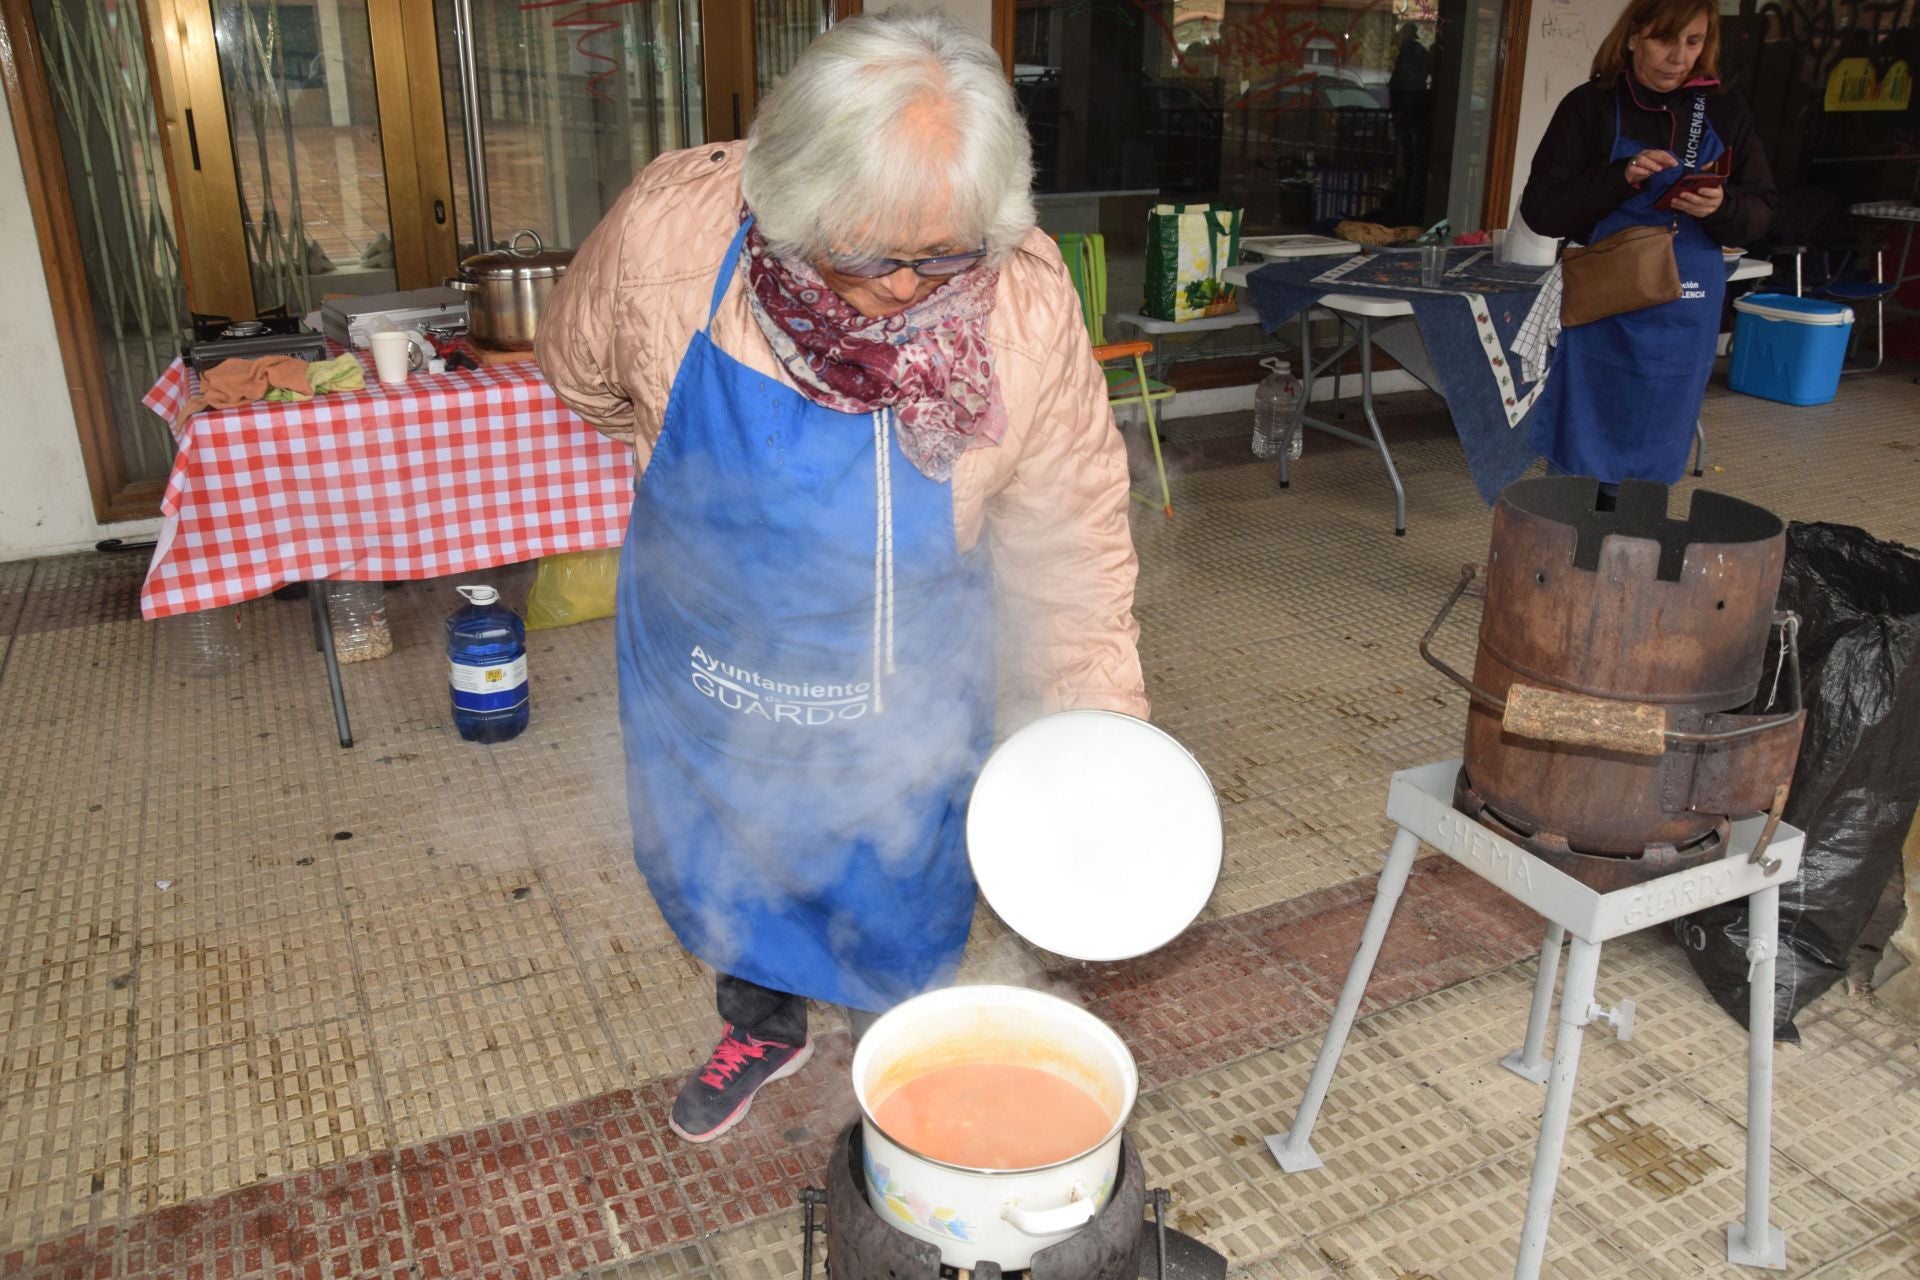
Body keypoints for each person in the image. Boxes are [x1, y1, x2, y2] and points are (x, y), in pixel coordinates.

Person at [535, 12, 1148, 1144]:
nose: (911, 289)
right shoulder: (674, 231)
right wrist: (687, 499)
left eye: (946, 254)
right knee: (727, 849)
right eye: (871, 256)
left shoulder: (1024, 302)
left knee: (900, 867)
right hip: (709, 637)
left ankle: (897, 1039)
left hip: (906, 654)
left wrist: (1099, 737)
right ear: (791, 205)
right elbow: (578, 371)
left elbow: (1069, 542)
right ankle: (761, 1018)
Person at [1519, 0, 1776, 488]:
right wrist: (1621, 177)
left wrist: (1719, 208)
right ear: (1634, 36)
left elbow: (1762, 211)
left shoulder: (1725, 109)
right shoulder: (1590, 104)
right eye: (1663, 39)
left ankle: (1636, 543)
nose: (1678, 57)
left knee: (1659, 441)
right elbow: (1542, 210)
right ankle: (1572, 540)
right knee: (1588, 433)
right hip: (1605, 306)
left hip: (1687, 309)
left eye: (1693, 42)